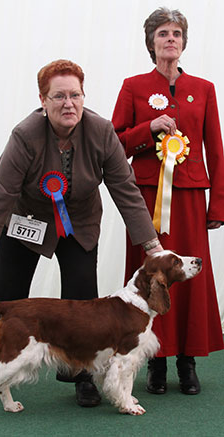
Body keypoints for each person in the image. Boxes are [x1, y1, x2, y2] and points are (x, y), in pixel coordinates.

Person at [0, 59, 162, 407]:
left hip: (81, 222)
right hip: (27, 219)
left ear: (83, 96)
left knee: (84, 300)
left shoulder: (101, 132)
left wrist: (153, 246)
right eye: (58, 96)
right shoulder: (25, 135)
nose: (68, 103)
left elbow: (126, 190)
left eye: (75, 95)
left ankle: (81, 375)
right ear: (43, 101)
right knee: (7, 291)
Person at [112, 7, 224, 396]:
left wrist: (218, 205)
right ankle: (155, 364)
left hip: (192, 196)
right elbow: (113, 144)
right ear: (151, 42)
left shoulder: (205, 88)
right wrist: (149, 128)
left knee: (190, 274)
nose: (170, 39)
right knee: (150, 276)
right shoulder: (133, 86)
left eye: (176, 33)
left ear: (184, 41)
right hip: (144, 197)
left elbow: (216, 149)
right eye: (163, 33)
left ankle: (187, 363)